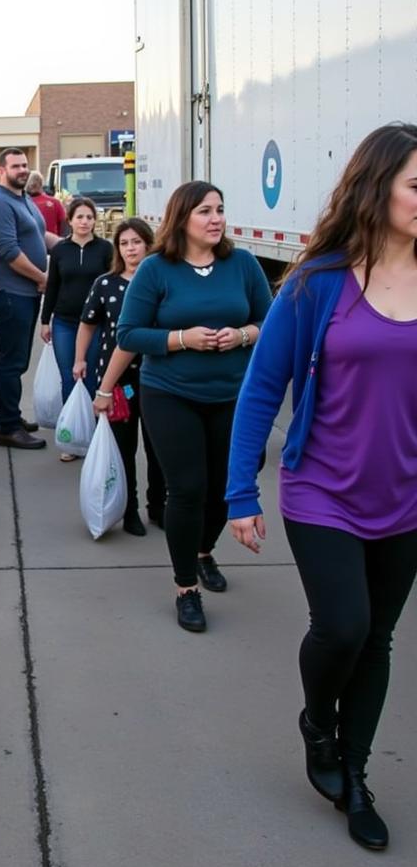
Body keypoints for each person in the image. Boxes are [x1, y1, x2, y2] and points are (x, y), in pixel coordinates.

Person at [227, 123, 417, 851]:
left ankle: (358, 775)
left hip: (405, 495)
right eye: (415, 185)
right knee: (343, 626)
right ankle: (317, 720)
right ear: (378, 187)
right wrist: (240, 493)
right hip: (322, 491)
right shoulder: (316, 284)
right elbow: (262, 388)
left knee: (378, 641)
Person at [116, 181, 271, 633]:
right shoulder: (155, 270)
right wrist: (182, 339)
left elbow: (271, 319)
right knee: (187, 488)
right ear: (182, 218)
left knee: (230, 481)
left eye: (220, 209)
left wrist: (242, 335)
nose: (216, 218)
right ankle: (186, 588)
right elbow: (129, 333)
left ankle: (203, 549)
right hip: (170, 393)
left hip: (233, 394)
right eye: (205, 211)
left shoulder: (241, 264)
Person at [82, 218, 166, 534]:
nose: (131, 248)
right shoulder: (106, 284)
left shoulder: (162, 281)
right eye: (124, 243)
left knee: (159, 447)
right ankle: (128, 510)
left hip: (158, 376)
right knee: (124, 447)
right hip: (118, 381)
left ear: (148, 244)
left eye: (136, 242)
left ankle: (158, 506)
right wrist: (79, 360)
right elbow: (88, 322)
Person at [0, 148, 48, 450]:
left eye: (25, 165)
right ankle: (7, 427)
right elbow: (9, 252)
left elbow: (41, 237)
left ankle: (13, 415)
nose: (22, 170)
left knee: (18, 359)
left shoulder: (23, 200)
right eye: (15, 166)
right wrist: (42, 278)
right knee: (11, 361)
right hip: (9, 292)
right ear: (1, 171)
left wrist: (75, 245)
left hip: (25, 292)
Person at [39, 195, 113, 427]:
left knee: (90, 376)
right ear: (70, 220)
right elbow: (52, 286)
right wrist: (45, 321)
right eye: (79, 217)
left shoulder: (105, 249)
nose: (85, 222)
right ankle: (70, 431)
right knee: (69, 376)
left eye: (89, 217)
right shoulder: (61, 249)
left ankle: (90, 429)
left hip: (95, 323)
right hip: (64, 322)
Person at [26, 170, 66, 250]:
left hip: (30, 247)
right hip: (54, 246)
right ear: (41, 184)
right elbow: (64, 225)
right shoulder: (55, 202)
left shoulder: (22, 203)